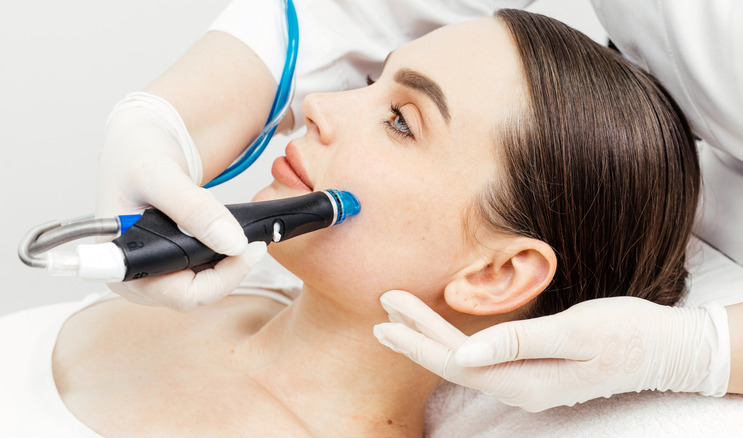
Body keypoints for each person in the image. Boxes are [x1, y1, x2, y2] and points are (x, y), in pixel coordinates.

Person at [2, 9, 703, 435]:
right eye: (372, 82)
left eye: (401, 121)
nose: (319, 109)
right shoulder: (197, 291)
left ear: (496, 274)